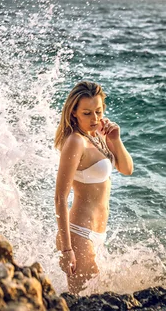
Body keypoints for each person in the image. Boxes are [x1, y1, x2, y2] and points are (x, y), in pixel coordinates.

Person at [54, 81, 133, 294]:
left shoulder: (98, 135)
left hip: (98, 234)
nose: (95, 119)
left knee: (93, 299)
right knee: (84, 303)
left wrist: (115, 140)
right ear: (74, 113)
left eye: (98, 111)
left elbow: (127, 169)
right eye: (87, 113)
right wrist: (66, 249)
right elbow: (60, 198)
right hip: (79, 233)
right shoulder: (75, 142)